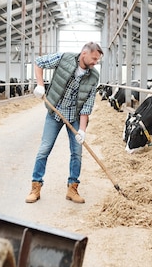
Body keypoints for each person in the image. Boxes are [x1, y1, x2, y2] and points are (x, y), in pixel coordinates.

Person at [25, 41, 103, 204]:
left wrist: (82, 130)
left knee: (77, 153)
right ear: (84, 53)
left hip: (74, 117)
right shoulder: (64, 58)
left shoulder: (94, 76)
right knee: (44, 149)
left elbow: (87, 104)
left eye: (98, 60)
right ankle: (35, 187)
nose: (96, 62)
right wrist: (40, 85)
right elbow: (39, 62)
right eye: (94, 58)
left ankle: (72, 189)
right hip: (55, 112)